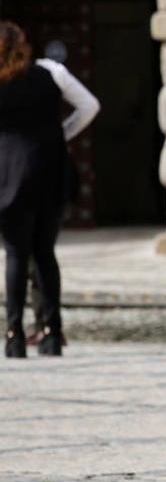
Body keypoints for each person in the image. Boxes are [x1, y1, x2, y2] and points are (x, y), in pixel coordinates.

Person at [0, 22, 99, 359]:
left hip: (8, 175)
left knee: (15, 254)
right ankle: (52, 333)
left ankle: (13, 335)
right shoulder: (50, 71)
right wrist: (62, 134)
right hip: (49, 170)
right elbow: (89, 106)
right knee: (45, 252)